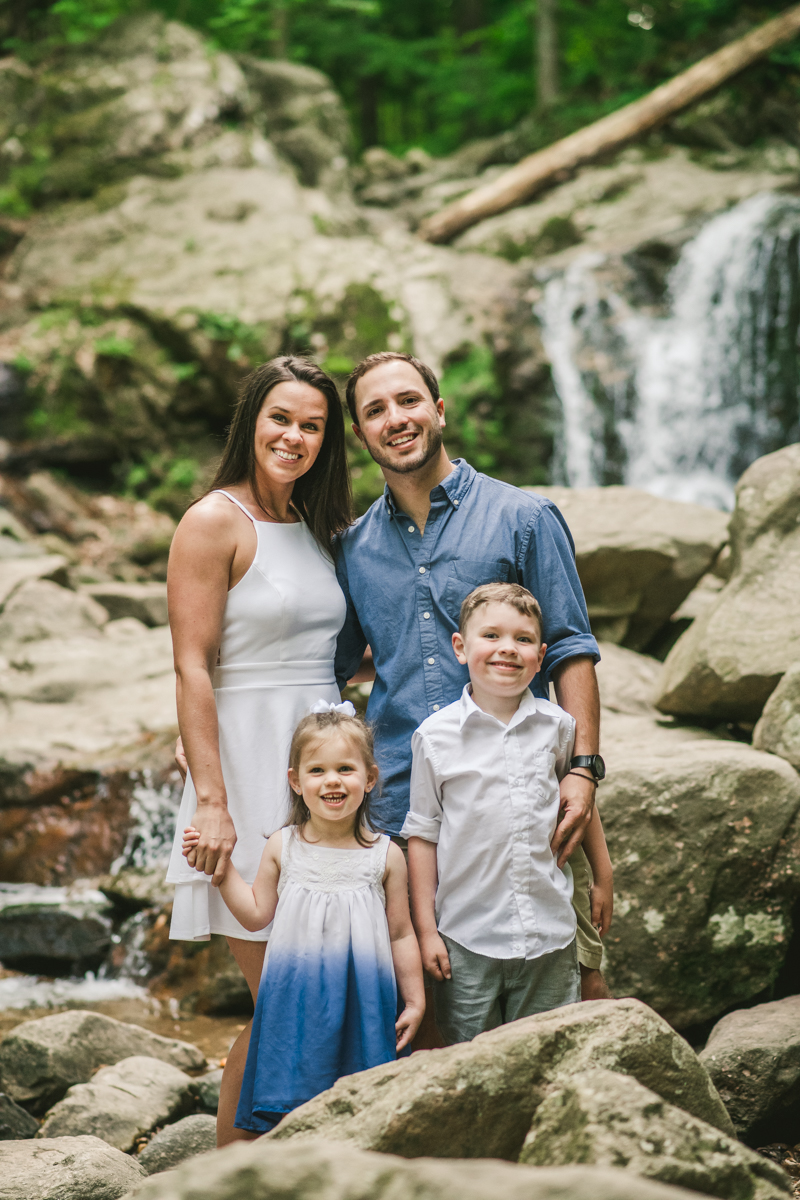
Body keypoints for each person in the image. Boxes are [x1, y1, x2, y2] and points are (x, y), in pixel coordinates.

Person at [333, 351, 613, 999]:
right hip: (401, 806)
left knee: (572, 986)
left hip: (524, 797)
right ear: (360, 435)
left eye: (408, 400)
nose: (395, 419)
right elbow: (329, 669)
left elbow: (571, 648)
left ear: (439, 408)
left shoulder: (524, 519)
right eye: (375, 410)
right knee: (423, 1001)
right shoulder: (354, 549)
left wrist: (583, 769)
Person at [165, 356, 352, 1145]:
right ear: (252, 422)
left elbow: (325, 648)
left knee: (314, 992)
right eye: (282, 418)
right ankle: (231, 1166)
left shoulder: (313, 523)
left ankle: (259, 1162)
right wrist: (213, 798)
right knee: (284, 996)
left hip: (319, 769)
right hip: (244, 765)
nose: (295, 436)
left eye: (312, 426)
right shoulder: (214, 521)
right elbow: (191, 664)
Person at [181, 703, 425, 1132]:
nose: (332, 780)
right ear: (295, 781)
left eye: (345, 769)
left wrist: (415, 999)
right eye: (317, 771)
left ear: (369, 778)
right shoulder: (282, 846)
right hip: (296, 1003)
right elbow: (256, 915)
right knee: (294, 1106)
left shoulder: (386, 855)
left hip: (363, 1000)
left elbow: (401, 934)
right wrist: (221, 872)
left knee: (361, 1105)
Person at [404, 583, 585, 1042]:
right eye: (492, 636)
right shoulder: (435, 737)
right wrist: (427, 931)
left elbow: (579, 806)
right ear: (461, 648)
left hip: (549, 934)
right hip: (467, 937)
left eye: (523, 639)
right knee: (467, 1062)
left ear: (540, 656)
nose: (508, 648)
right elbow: (423, 835)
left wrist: (603, 874)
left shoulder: (558, 726)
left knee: (551, 1053)